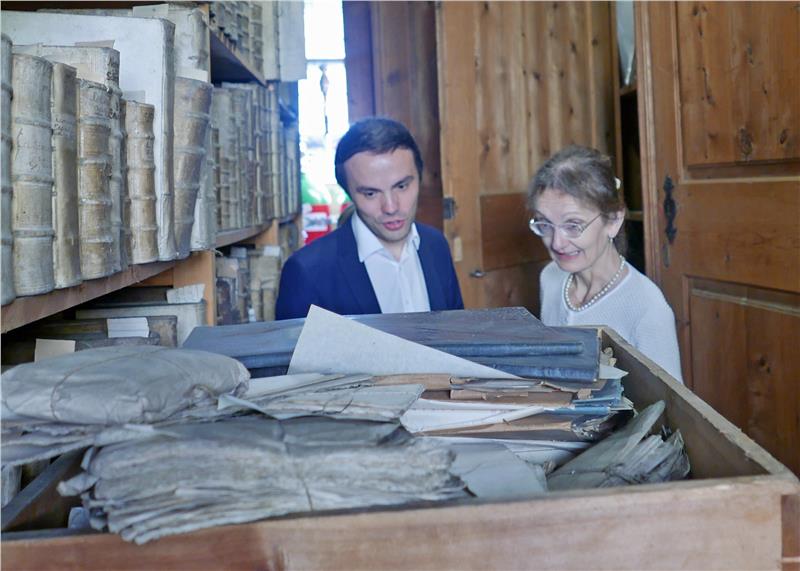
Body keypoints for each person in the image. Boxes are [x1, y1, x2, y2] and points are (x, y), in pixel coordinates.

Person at [275, 117, 463, 320]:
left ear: (419, 177)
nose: (391, 207)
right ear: (348, 192)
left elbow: (457, 333)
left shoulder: (436, 245)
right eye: (371, 194)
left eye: (401, 186)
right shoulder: (306, 272)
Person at [527, 145, 683, 382]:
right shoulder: (550, 277)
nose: (557, 243)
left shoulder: (647, 309)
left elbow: (669, 403)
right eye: (544, 224)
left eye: (573, 225)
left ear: (613, 221)